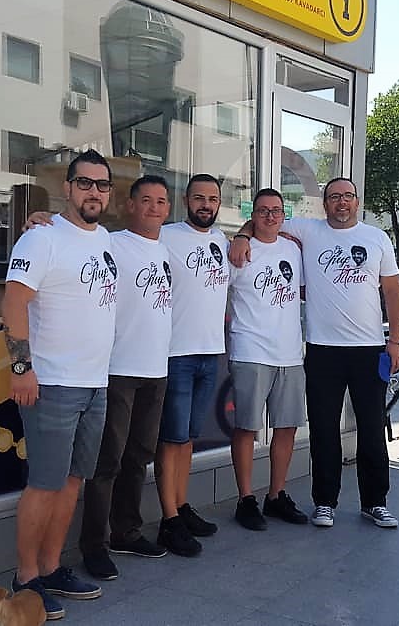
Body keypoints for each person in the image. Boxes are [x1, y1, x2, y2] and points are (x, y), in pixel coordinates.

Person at [231, 177, 399, 530]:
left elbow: (393, 293)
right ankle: (324, 502)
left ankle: (376, 502)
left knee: (372, 428)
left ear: (358, 202)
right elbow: (266, 218)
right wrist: (241, 234)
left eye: (348, 196)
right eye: (334, 197)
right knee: (323, 430)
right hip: (323, 350)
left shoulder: (377, 238)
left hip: (369, 349)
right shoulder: (308, 232)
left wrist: (395, 341)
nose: (342, 202)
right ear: (324, 204)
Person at [3, 150, 116, 619]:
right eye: (84, 183)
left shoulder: (105, 237)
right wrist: (20, 369)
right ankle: (25, 579)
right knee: (44, 484)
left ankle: (51, 568)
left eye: (102, 185)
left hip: (95, 385)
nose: (93, 191)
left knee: (72, 481)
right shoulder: (42, 239)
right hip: (51, 383)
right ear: (67, 188)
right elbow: (13, 304)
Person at [79, 176, 173, 582]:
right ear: (130, 205)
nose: (154, 207)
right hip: (118, 370)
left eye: (162, 201)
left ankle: (126, 532)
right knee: (108, 462)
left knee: (138, 457)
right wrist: (40, 218)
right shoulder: (109, 242)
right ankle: (93, 545)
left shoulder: (166, 247)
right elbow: (70, 234)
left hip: (156, 371)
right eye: (146, 200)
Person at [155, 174, 230, 555]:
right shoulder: (166, 236)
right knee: (171, 440)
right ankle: (168, 520)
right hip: (175, 355)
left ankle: (181, 507)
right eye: (199, 198)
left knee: (187, 440)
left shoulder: (222, 241)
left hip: (209, 353)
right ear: (186, 200)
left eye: (213, 199)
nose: (206, 205)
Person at [227, 188, 309, 531]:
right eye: (263, 211)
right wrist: (242, 234)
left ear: (283, 215)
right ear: (253, 214)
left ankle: (276, 495)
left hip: (290, 353)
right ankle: (246, 499)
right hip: (250, 350)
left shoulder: (293, 248)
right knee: (247, 427)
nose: (270, 216)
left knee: (286, 426)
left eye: (276, 211)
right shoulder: (239, 251)